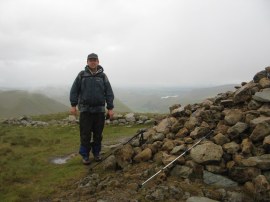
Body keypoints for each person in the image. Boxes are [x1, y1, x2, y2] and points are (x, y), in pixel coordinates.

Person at [70, 53, 114, 165]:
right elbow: (74, 90)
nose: (93, 62)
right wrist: (73, 105)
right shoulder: (82, 75)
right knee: (85, 134)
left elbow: (109, 92)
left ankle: (97, 153)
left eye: (94, 60)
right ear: (87, 62)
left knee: (98, 134)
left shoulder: (103, 76)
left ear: (98, 61)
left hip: (99, 111)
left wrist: (110, 108)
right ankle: (85, 156)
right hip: (85, 111)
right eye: (90, 60)